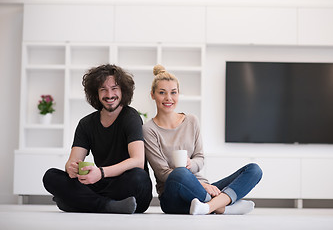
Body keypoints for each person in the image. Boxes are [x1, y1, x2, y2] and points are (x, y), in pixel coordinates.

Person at [143, 64, 262, 215]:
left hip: (200, 189)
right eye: (162, 93)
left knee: (254, 170)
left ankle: (208, 207)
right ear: (152, 95)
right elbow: (163, 174)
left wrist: (191, 164)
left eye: (173, 92)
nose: (168, 98)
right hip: (173, 197)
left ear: (179, 94)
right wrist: (204, 186)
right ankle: (222, 206)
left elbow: (200, 158)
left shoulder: (191, 120)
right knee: (179, 173)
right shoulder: (148, 129)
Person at [43, 64, 152, 214]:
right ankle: (108, 205)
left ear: (123, 91)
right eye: (103, 89)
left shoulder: (131, 117)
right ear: (96, 93)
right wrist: (71, 168)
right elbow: (72, 161)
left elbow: (138, 161)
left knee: (139, 177)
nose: (109, 94)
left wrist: (100, 173)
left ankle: (77, 202)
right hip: (100, 184)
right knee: (51, 176)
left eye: (114, 88)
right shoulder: (86, 123)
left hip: (127, 186)